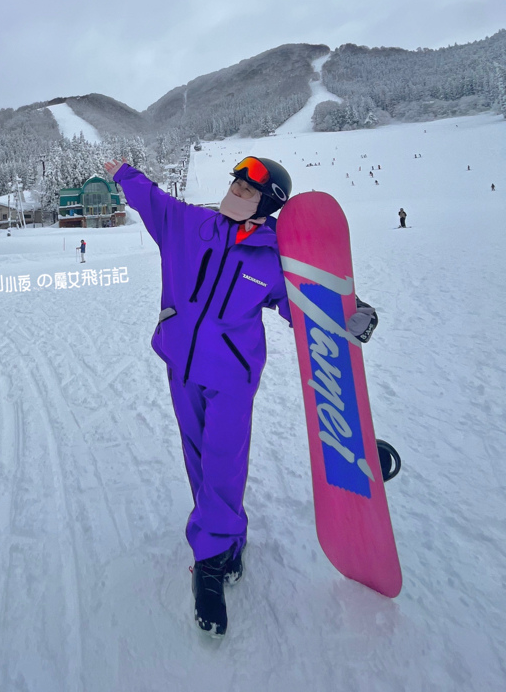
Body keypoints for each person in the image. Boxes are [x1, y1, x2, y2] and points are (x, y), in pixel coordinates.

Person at [104, 155, 386, 639]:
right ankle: (227, 541)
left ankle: (209, 561)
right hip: (182, 366)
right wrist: (123, 172)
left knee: (223, 462)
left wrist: (351, 313)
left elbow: (304, 304)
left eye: (247, 189)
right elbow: (150, 198)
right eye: (235, 182)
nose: (234, 190)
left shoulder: (274, 256)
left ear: (267, 205)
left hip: (232, 375)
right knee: (197, 460)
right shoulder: (188, 224)